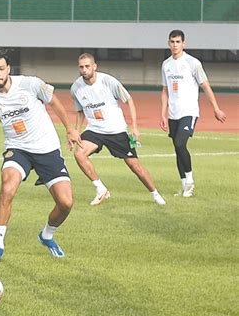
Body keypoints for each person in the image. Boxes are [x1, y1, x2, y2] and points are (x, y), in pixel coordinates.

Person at [0, 49, 81, 264]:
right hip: (18, 150)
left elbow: (54, 102)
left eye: (1, 69)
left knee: (66, 203)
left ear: (8, 69)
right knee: (7, 187)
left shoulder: (30, 84)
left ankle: (47, 235)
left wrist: (70, 129)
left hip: (47, 148)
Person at [70, 53, 166, 206]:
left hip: (116, 130)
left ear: (94, 66)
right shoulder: (75, 88)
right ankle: (101, 189)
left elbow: (129, 100)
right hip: (95, 129)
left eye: (87, 66)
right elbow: (80, 112)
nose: (84, 70)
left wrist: (134, 127)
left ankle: (155, 193)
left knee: (135, 166)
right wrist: (76, 132)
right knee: (79, 153)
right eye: (81, 67)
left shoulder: (108, 81)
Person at [160, 29, 226, 197]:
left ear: (184, 44)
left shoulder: (193, 63)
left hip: (189, 111)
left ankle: (190, 181)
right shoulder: (166, 64)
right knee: (177, 147)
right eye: (172, 42)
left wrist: (216, 108)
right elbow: (164, 91)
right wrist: (163, 113)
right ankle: (184, 187)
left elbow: (205, 86)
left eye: (178, 42)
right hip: (173, 113)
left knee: (181, 144)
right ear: (169, 43)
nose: (175, 45)